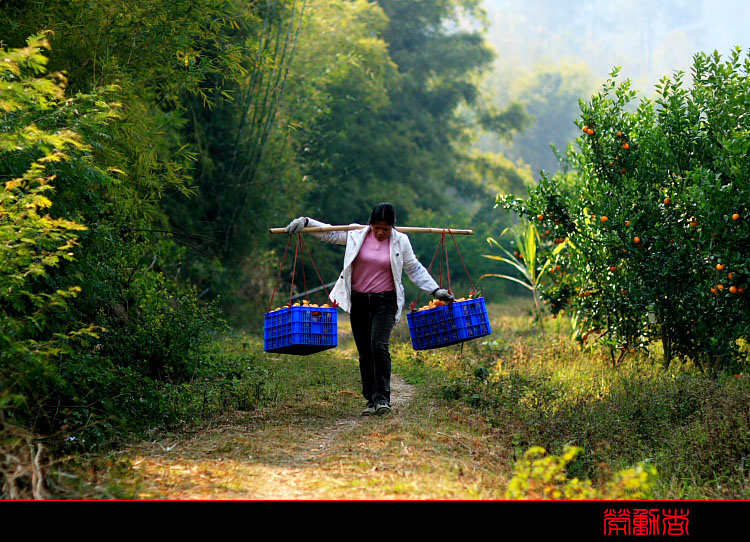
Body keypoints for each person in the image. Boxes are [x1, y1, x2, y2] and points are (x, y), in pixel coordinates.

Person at [285, 203, 453, 416]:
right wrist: (305, 222)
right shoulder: (356, 234)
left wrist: (436, 291)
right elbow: (329, 233)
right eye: (377, 228)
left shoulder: (401, 241)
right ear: (370, 224)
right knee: (365, 351)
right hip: (359, 301)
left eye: (385, 228)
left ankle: (382, 398)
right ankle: (370, 399)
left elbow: (414, 268)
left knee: (378, 346)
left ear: (393, 227)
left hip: (386, 301)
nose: (381, 232)